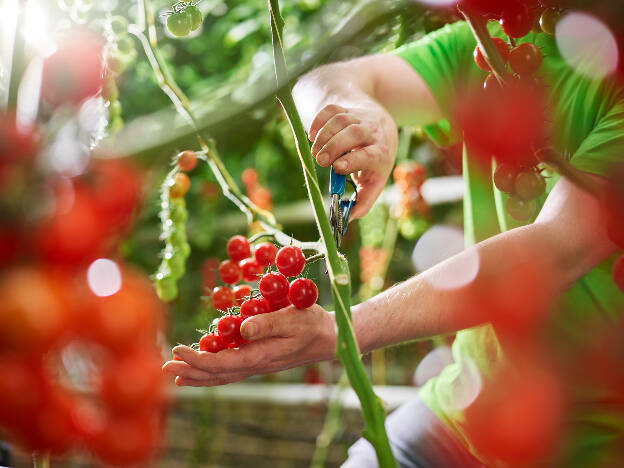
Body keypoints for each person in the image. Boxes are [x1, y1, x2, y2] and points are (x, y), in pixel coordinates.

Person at [163, 17, 624, 467]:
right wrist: (361, 114)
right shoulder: (495, 39)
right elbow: (326, 79)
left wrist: (344, 329)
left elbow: (552, 251)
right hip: (461, 410)